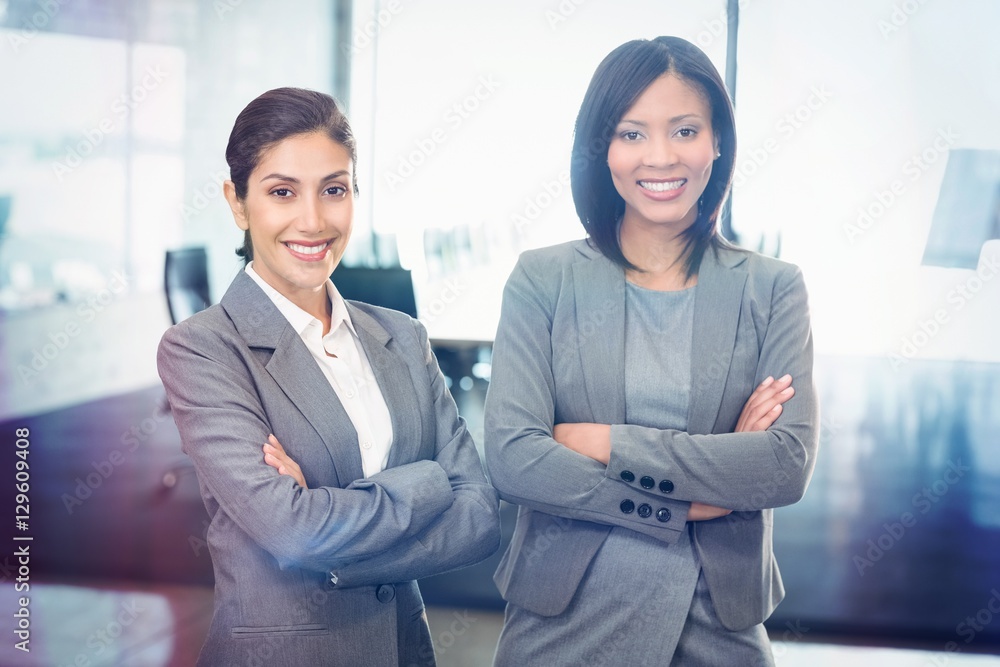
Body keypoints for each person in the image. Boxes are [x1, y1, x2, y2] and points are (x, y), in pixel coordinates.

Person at [484, 36, 819, 666]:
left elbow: (782, 466)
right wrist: (700, 499)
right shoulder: (543, 279)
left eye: (685, 130)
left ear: (718, 142)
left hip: (716, 624)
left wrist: (603, 441)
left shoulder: (773, 288)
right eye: (631, 133)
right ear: (600, 149)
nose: (659, 157)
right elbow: (512, 457)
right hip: (565, 622)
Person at [157, 87, 500, 667]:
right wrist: (429, 482)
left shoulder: (402, 336)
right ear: (238, 204)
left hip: (404, 651)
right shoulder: (203, 350)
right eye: (282, 192)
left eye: (334, 190)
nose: (313, 220)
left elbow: (481, 517)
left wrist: (327, 524)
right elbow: (293, 533)